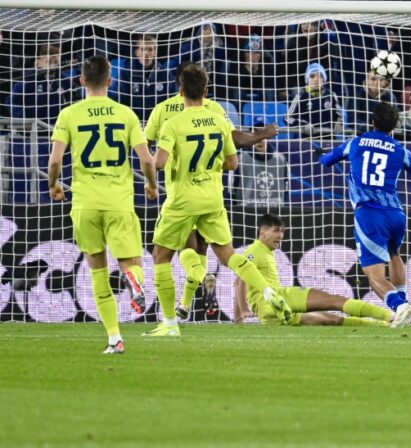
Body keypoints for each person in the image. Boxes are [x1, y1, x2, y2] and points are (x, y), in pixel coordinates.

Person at [146, 64, 290, 337]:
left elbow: (159, 161)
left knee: (161, 256)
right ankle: (269, 291)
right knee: (228, 255)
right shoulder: (219, 119)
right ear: (207, 91)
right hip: (212, 198)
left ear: (180, 90)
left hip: (181, 199)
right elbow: (233, 163)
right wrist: (208, 166)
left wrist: (153, 179)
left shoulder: (171, 121)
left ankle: (169, 323)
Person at [48, 55, 158, 354]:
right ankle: (134, 280)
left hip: (85, 203)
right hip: (119, 201)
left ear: (82, 81)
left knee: (97, 269)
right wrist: (150, 184)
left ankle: (114, 338)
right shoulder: (126, 114)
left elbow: (56, 160)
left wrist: (54, 185)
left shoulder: (69, 114)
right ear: (111, 81)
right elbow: (147, 159)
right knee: (131, 263)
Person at [320, 102, 411, 327]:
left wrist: (322, 155)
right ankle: (405, 302)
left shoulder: (356, 143)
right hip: (396, 215)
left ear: (372, 121)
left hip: (370, 215)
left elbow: (327, 161)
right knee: (394, 252)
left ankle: (400, 307)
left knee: (376, 278)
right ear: (394, 127)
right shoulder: (401, 150)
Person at [234, 214, 393, 326]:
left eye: (282, 231)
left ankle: (382, 325)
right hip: (278, 298)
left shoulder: (265, 251)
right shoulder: (254, 251)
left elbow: (237, 281)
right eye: (276, 230)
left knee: (331, 320)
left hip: (269, 314)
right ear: (262, 233)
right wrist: (243, 309)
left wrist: (239, 316)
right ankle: (391, 316)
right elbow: (241, 279)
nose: (281, 236)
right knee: (336, 301)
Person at [110, 34, 176, 121]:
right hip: (134, 125)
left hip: (158, 124)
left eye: (150, 49)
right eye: (143, 49)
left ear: (155, 52)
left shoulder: (166, 74)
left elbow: (172, 101)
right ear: (136, 52)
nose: (146, 53)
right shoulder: (125, 73)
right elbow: (119, 102)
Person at [9, 44, 79, 125]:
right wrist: (23, 118)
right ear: (40, 61)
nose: (54, 65)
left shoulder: (64, 81)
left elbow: (71, 103)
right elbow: (11, 101)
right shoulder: (29, 79)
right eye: (50, 62)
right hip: (32, 129)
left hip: (56, 129)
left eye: (56, 62)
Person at [234, 116, 289, 207]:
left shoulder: (281, 159)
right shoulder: (240, 160)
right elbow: (232, 190)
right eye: (256, 132)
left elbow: (286, 190)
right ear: (248, 134)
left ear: (269, 135)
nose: (260, 138)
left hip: (275, 214)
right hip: (246, 215)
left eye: (263, 132)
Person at [286, 62, 344, 138]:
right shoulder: (300, 95)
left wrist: (339, 123)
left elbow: (339, 116)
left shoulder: (331, 95)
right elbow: (287, 118)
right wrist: (303, 125)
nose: (316, 79)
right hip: (307, 141)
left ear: (324, 79)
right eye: (312, 76)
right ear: (307, 79)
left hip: (329, 139)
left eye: (320, 76)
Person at [352, 70, 398, 136]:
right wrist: (370, 129)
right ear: (367, 81)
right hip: (360, 134)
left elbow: (395, 119)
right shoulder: (358, 95)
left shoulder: (391, 97)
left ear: (386, 82)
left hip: (384, 135)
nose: (376, 83)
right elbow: (352, 118)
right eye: (373, 79)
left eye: (381, 80)